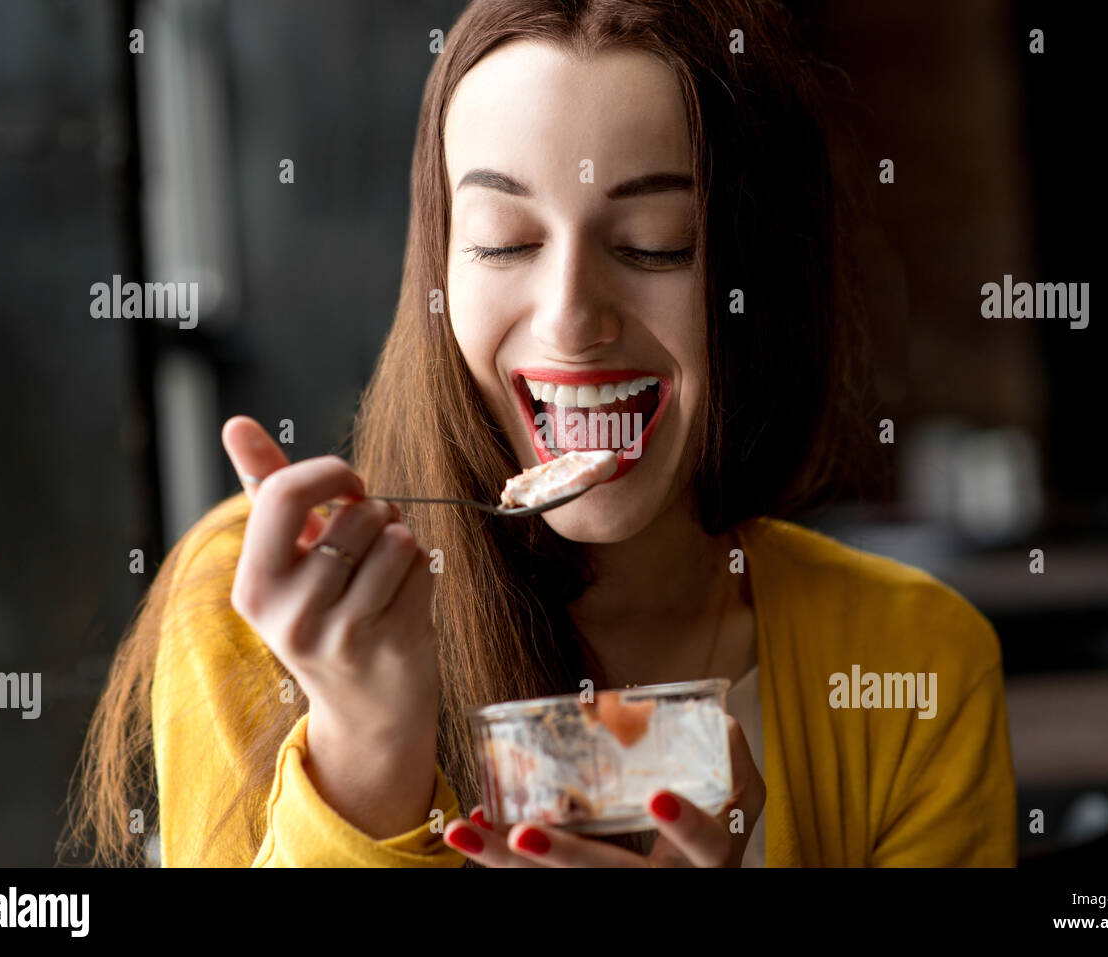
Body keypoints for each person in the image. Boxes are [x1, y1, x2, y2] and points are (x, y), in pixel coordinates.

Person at [66, 0, 1016, 868]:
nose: (570, 316)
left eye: (654, 244)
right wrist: (360, 750)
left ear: (757, 289)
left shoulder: (912, 662)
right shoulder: (262, 616)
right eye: (506, 242)